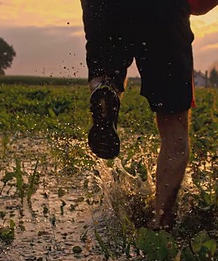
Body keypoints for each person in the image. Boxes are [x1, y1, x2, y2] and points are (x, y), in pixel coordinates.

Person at [81, 0, 195, 229]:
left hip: (104, 5)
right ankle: (160, 219)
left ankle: (105, 89)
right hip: (163, 11)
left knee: (105, 71)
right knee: (174, 127)